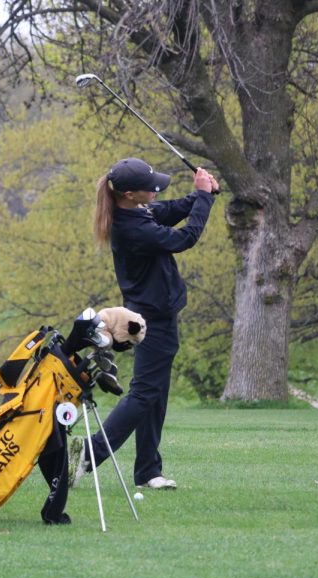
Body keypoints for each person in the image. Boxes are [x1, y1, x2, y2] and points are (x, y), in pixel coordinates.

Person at [70, 157, 218, 490]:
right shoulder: (133, 227)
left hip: (158, 312)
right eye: (150, 188)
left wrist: (204, 194)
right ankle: (86, 457)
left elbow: (173, 208)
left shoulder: (138, 211)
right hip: (151, 318)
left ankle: (148, 470)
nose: (156, 191)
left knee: (156, 393)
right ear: (129, 194)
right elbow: (185, 238)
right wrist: (204, 198)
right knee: (144, 393)